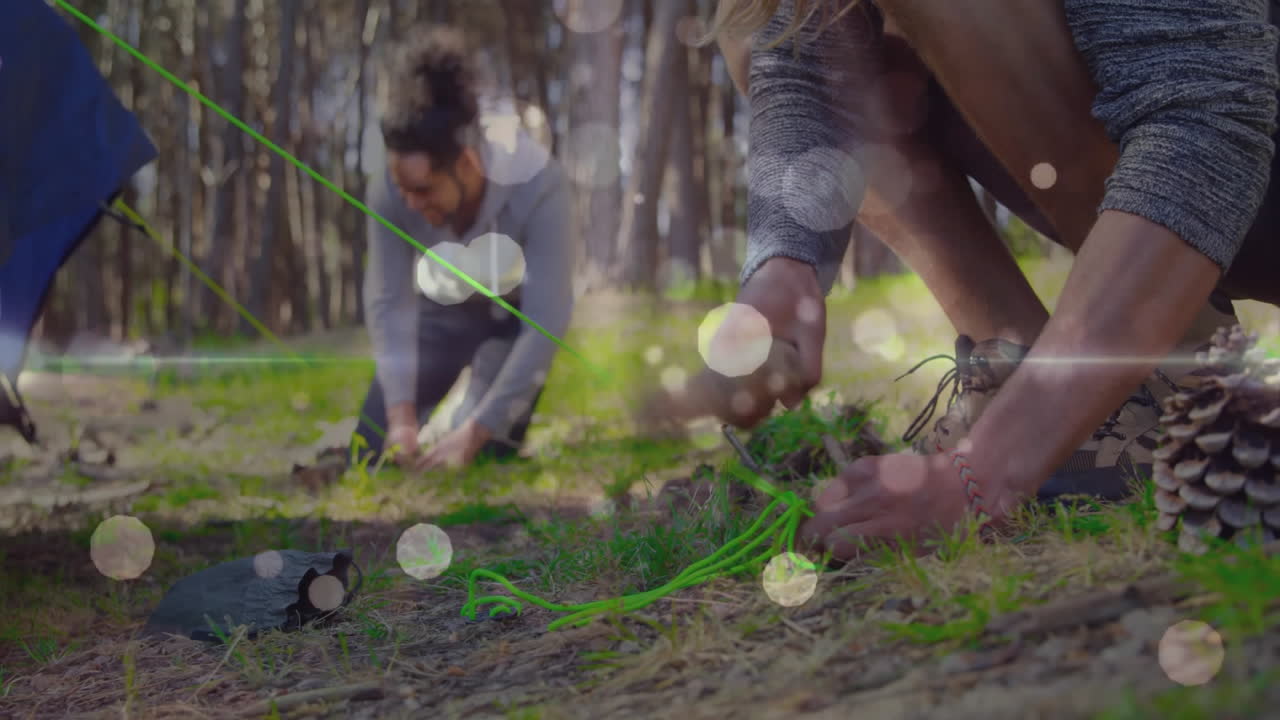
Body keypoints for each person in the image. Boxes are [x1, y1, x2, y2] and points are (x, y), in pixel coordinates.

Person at [683, 0, 1280, 560]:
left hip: (1238, 141)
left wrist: (985, 475)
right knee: (764, 23)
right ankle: (1025, 371)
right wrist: (783, 265)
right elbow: (802, 59)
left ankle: (1170, 366)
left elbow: (1207, 115)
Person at [352, 26, 573, 471]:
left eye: (424, 190)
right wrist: (400, 415)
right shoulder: (391, 189)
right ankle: (426, 425)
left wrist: (475, 433)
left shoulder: (541, 183)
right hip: (445, 308)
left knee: (486, 456)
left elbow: (546, 323)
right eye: (403, 189)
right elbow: (388, 301)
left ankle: (465, 420)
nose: (411, 204)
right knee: (371, 450)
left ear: (468, 166)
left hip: (514, 316)